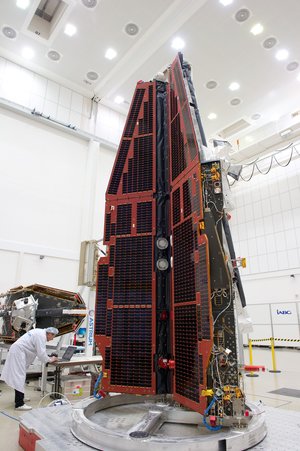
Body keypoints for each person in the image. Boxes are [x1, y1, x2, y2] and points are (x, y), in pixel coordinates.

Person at [0, 327, 59, 410]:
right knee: (19, 377)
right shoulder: (41, 336)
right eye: (53, 336)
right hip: (18, 353)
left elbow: (39, 352)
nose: (52, 339)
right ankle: (19, 404)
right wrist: (51, 359)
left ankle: (20, 398)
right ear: (50, 334)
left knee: (20, 377)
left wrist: (47, 357)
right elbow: (41, 354)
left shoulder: (39, 332)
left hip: (18, 352)